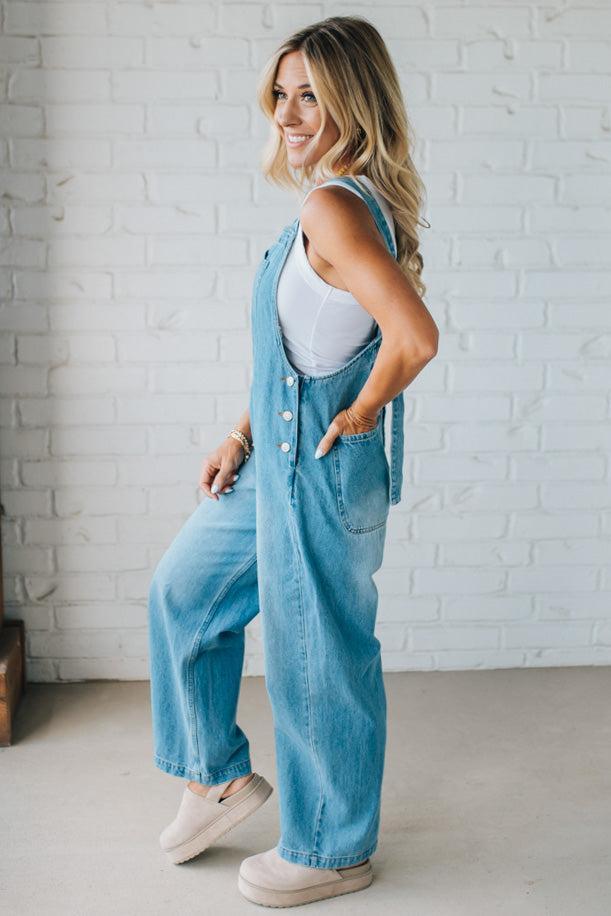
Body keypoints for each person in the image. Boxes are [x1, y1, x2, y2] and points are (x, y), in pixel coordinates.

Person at [147, 14, 439, 909]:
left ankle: (332, 847)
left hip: (316, 463)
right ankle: (216, 777)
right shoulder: (336, 204)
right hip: (273, 453)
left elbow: (414, 338)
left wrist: (357, 415)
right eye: (281, 93)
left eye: (310, 93)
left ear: (355, 98)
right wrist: (238, 432)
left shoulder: (333, 206)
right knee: (185, 592)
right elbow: (298, 350)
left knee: (317, 656)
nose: (288, 111)